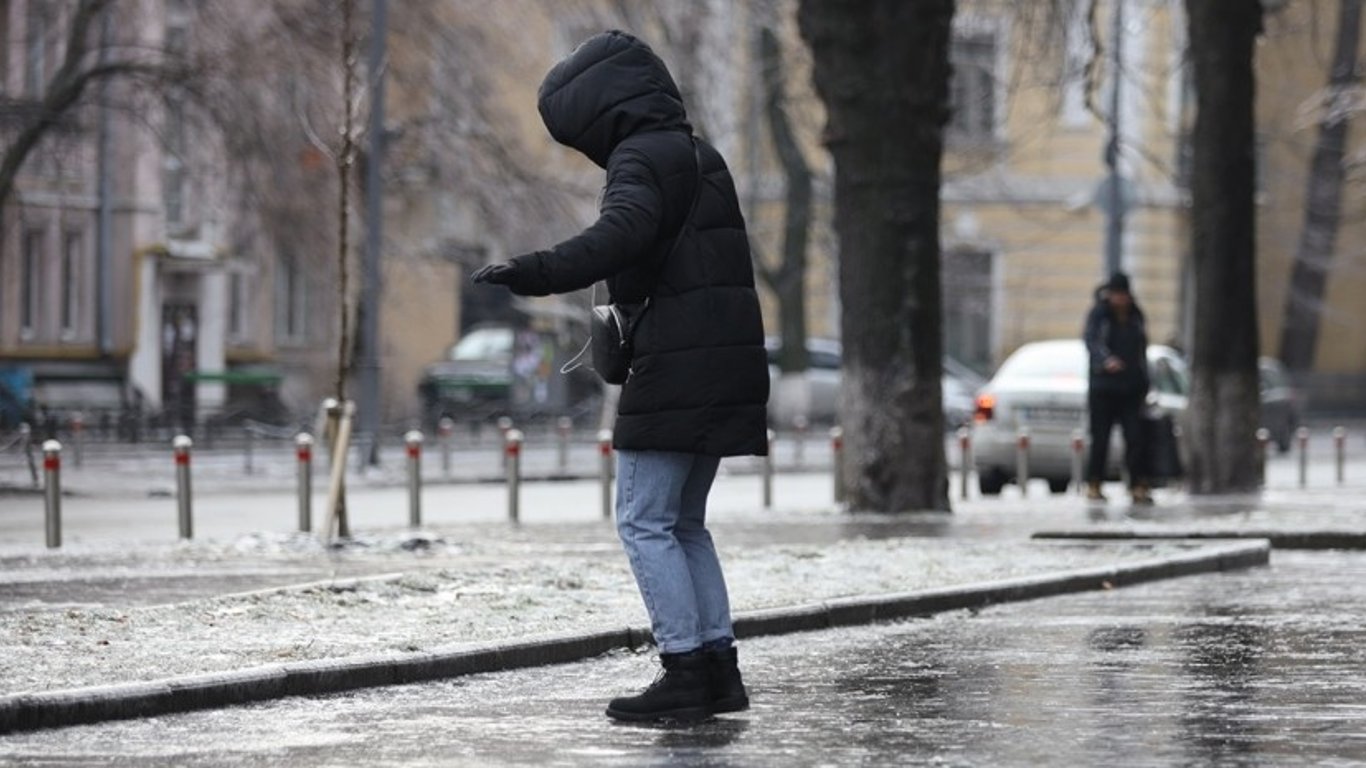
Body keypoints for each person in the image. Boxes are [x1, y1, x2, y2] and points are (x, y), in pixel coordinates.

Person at [472, 30, 769, 722]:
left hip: (675, 368)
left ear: (603, 115)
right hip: (722, 362)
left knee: (642, 522)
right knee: (684, 524)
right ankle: (719, 670)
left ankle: (685, 669)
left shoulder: (641, 160)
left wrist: (537, 271)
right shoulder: (700, 156)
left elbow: (621, 235)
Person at [1083, 272, 1152, 504]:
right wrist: (1106, 361)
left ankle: (1137, 485)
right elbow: (1091, 341)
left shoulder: (1135, 315)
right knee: (1100, 438)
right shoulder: (1099, 315)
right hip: (1104, 388)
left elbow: (1142, 348)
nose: (1120, 299)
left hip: (1132, 388)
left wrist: (1144, 380)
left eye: (1123, 294)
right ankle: (1094, 483)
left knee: (1135, 438)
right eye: (1116, 294)